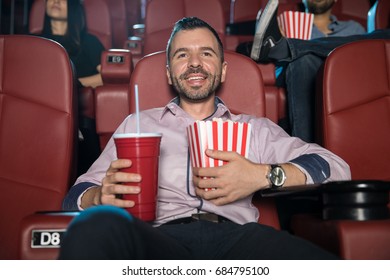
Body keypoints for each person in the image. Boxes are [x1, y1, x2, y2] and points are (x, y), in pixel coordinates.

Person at [58, 16, 351, 260]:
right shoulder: (137, 124)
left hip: (240, 242)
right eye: (182, 55)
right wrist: (98, 196)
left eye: (206, 54)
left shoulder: (254, 128)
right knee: (91, 227)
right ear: (170, 74)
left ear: (222, 72)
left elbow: (334, 167)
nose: (195, 63)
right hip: (159, 240)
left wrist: (264, 175)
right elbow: (74, 195)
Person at [242, 0, 390, 142]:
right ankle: (305, 154)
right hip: (302, 74)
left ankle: (284, 48)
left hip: (344, 79)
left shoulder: (354, 28)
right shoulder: (288, 23)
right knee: (303, 60)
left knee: (380, 38)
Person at [37, 0, 105, 174]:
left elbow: (105, 76)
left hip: (79, 113)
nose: (56, 1)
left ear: (74, 8)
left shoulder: (89, 41)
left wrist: (72, 82)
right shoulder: (34, 41)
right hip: (40, 107)